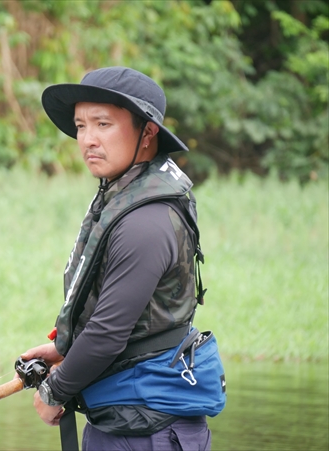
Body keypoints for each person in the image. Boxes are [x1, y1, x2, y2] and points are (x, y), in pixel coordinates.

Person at [19, 67, 226, 451]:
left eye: (103, 124)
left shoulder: (145, 223)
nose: (88, 140)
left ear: (147, 133)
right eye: (81, 126)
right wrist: (65, 347)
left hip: (149, 432)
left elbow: (108, 334)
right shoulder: (123, 195)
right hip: (124, 423)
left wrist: (54, 393)